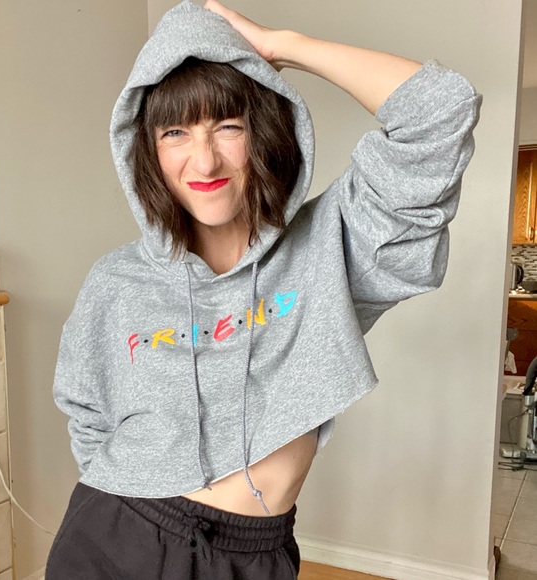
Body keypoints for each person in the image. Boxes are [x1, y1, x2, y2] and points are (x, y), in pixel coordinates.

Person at [45, 1, 482, 578]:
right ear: (146, 149)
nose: (204, 160)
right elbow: (88, 415)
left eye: (228, 126)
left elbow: (441, 111)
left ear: (266, 131)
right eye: (175, 132)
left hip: (257, 549)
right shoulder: (116, 281)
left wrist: (282, 47)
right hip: (115, 535)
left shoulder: (329, 246)